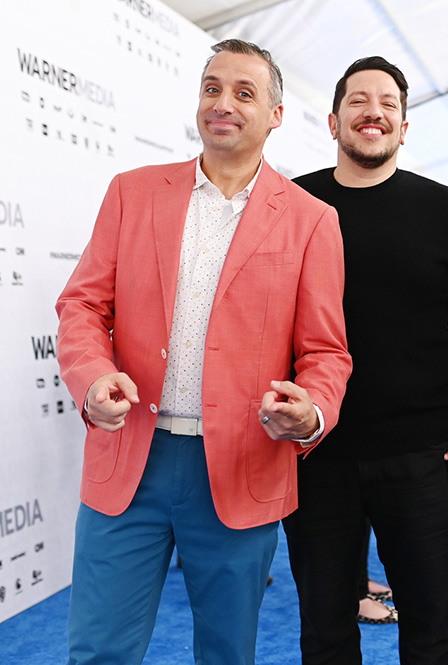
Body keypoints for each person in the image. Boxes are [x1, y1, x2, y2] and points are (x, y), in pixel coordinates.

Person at [55, 39, 352, 665]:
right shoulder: (131, 193)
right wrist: (91, 377)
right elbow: (83, 306)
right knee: (98, 651)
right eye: (212, 88)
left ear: (275, 114)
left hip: (243, 465)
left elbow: (326, 353)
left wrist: (312, 411)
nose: (223, 103)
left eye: (245, 93)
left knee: (226, 653)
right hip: (128, 461)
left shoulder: (311, 220)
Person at [282, 56, 448, 665]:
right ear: (332, 121)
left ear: (404, 126)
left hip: (421, 454)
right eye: (358, 101)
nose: (373, 112)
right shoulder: (293, 204)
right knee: (324, 629)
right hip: (315, 452)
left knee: (429, 624)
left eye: (388, 104)